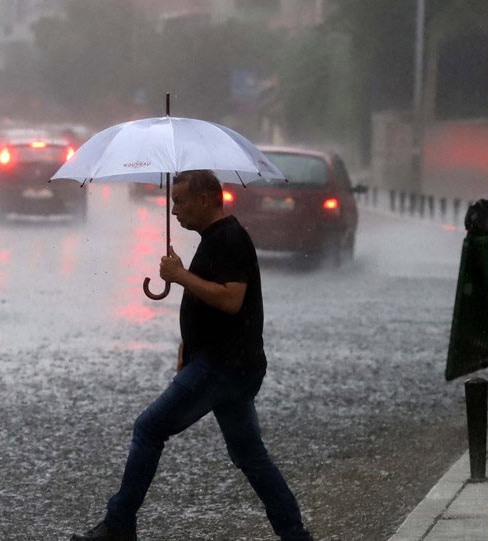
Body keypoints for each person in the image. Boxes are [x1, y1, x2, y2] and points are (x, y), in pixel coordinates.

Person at [71, 170, 312, 541]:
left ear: (204, 200)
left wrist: (181, 275)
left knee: (148, 428)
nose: (173, 211)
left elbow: (231, 300)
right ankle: (294, 535)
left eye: (179, 201)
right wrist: (189, 343)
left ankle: (119, 524)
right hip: (228, 362)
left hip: (223, 366)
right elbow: (211, 300)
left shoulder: (229, 238)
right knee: (249, 453)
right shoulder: (214, 238)